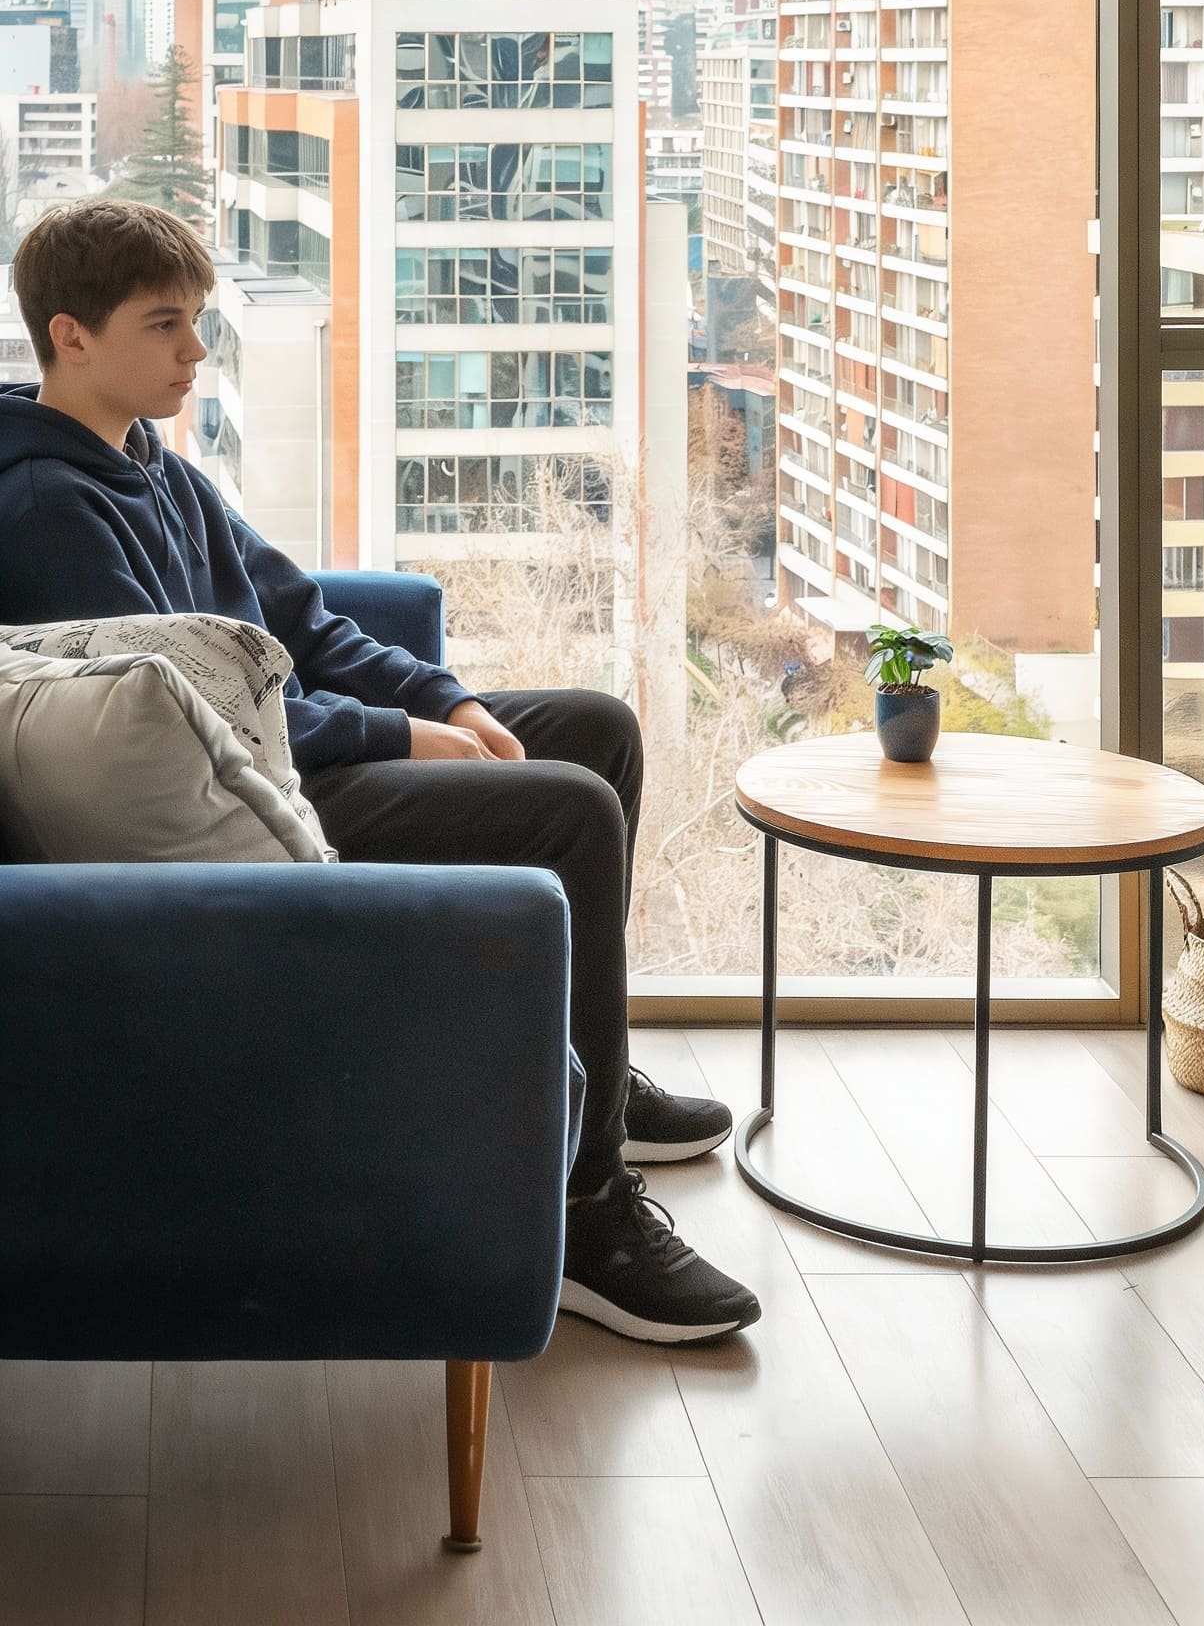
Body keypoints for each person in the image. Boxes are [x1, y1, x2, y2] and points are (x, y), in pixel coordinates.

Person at [0, 197, 761, 1348]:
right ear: (72, 335)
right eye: (166, 325)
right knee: (570, 809)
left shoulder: (154, 464)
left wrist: (441, 697)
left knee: (593, 727)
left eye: (197, 320)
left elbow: (302, 618)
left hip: (300, 733)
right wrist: (390, 735)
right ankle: (585, 1211)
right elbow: (190, 711)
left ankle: (591, 1077)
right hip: (264, 783)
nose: (195, 351)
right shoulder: (46, 507)